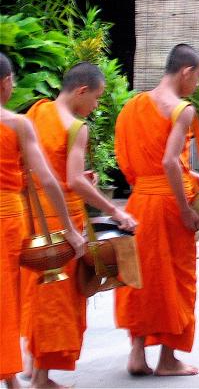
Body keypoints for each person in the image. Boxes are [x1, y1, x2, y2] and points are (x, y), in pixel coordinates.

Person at [23, 62, 136, 388]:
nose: (96, 106)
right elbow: (71, 180)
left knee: (39, 294)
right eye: (97, 98)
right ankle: (42, 379)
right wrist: (115, 211)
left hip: (34, 216)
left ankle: (33, 364)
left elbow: (42, 167)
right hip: (63, 218)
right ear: (81, 91)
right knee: (59, 300)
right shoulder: (76, 127)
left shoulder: (35, 113)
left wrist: (80, 179)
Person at [115, 44, 199, 376]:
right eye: (197, 77)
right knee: (175, 278)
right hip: (169, 205)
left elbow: (130, 159)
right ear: (185, 72)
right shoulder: (181, 109)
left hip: (140, 200)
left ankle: (137, 354)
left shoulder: (133, 105)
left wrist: (186, 172)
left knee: (141, 276)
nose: (196, 84)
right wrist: (184, 209)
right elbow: (169, 159)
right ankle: (168, 359)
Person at [0, 53, 85, 389]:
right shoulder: (18, 124)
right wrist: (68, 229)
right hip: (7, 218)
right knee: (6, 297)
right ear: (6, 84)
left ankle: (11, 378)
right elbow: (48, 180)